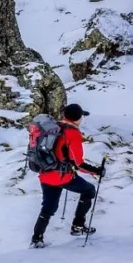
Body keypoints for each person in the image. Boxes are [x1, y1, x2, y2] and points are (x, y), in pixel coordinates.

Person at [32, 103, 105, 247]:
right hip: (62, 176)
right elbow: (78, 162)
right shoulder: (73, 133)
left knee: (48, 207)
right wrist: (96, 171)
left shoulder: (54, 127)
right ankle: (78, 226)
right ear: (78, 118)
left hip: (45, 174)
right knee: (89, 190)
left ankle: (36, 239)